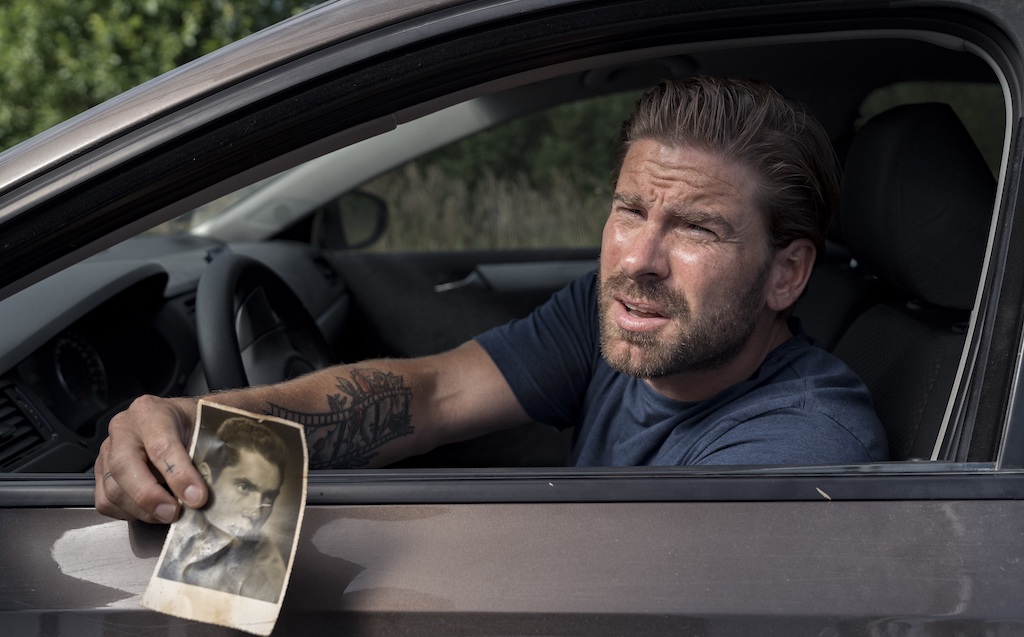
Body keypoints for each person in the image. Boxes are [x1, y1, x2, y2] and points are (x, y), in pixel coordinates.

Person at [96, 75, 887, 524]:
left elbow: (633, 614)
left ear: (786, 274)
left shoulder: (800, 449)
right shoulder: (612, 316)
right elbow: (431, 394)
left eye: (697, 229)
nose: (638, 261)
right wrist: (204, 426)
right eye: (629, 210)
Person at [156, 417, 290, 602]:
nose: (257, 512)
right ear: (205, 477)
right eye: (244, 487)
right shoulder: (171, 522)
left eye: (268, 497)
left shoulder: (266, 581)